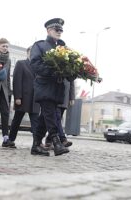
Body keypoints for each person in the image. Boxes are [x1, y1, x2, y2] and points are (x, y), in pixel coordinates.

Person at [30, 18, 74, 156]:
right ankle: (56, 143)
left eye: (61, 30)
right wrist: (53, 71)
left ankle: (36, 146)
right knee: (50, 116)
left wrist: (73, 72)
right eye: (56, 29)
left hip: (57, 88)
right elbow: (35, 64)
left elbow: (68, 68)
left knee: (44, 117)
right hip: (44, 86)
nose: (59, 32)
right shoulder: (40, 46)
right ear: (49, 30)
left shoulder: (63, 48)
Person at [6, 46, 47, 155]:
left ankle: (37, 143)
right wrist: (17, 97)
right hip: (23, 98)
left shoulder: (39, 66)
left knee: (35, 123)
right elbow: (16, 81)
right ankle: (10, 140)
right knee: (17, 120)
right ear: (28, 53)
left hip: (35, 99)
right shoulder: (21, 63)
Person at [44, 79, 75, 149]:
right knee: (57, 119)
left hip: (65, 98)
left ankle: (49, 140)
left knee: (57, 121)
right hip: (55, 95)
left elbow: (72, 83)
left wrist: (72, 97)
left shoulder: (70, 70)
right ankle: (63, 139)